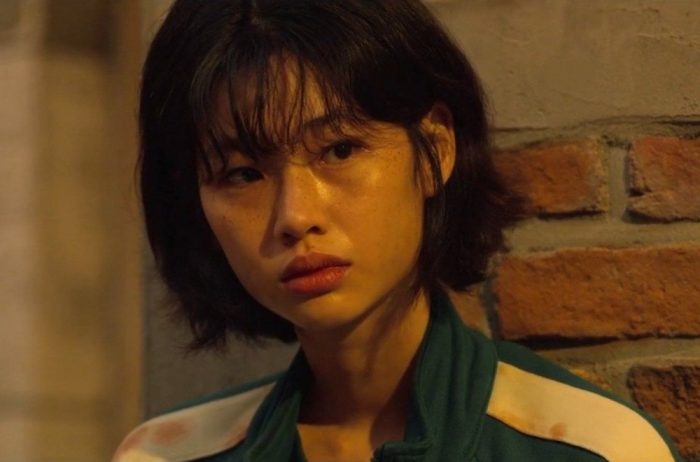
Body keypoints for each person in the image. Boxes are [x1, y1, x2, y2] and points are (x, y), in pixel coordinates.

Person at [114, 1, 683, 461]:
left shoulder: (591, 449)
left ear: (436, 145)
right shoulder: (163, 455)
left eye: (339, 149)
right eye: (243, 174)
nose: (295, 216)